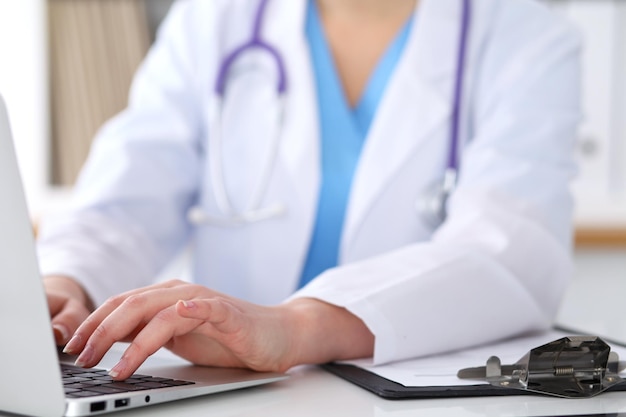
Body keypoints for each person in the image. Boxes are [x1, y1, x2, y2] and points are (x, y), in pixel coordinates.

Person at [38, 0, 581, 381]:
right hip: (227, 395)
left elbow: (510, 250)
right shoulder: (214, 18)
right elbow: (124, 198)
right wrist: (67, 282)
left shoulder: (523, 36)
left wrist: (296, 327)